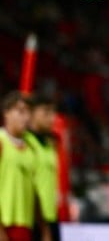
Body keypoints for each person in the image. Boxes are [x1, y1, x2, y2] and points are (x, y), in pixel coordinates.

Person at [0, 92, 42, 241]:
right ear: (6, 113)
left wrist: (45, 229)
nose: (26, 117)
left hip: (24, 225)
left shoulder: (31, 148)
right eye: (20, 111)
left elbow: (35, 191)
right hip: (4, 223)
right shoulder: (1, 142)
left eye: (29, 112)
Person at [22, 94, 59, 241]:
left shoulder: (49, 144)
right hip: (32, 218)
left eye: (53, 112)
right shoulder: (25, 142)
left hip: (50, 215)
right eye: (46, 112)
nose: (51, 118)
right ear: (32, 113)